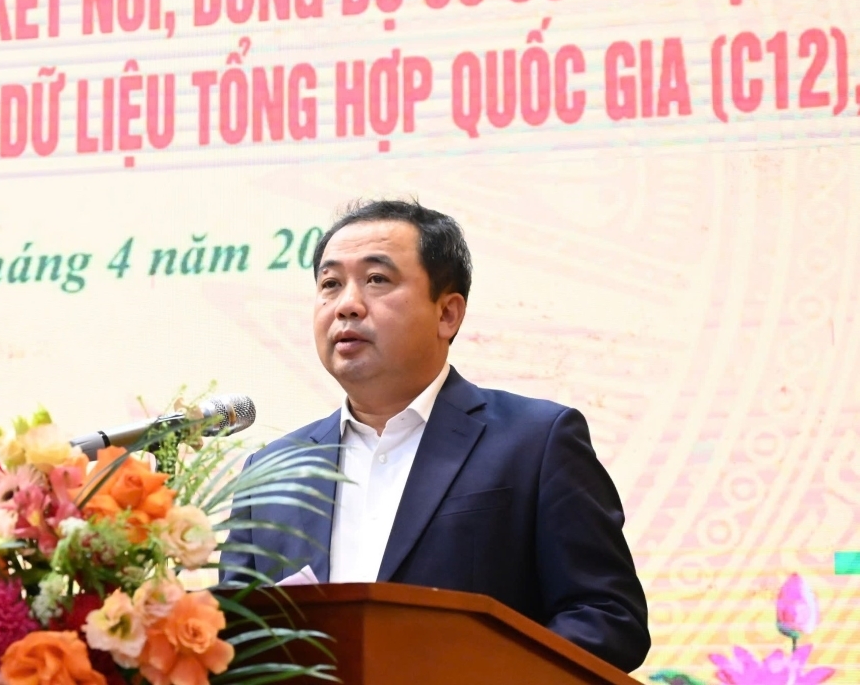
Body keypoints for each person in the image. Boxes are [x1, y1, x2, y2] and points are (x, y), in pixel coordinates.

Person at [220, 200, 650, 673]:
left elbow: (609, 619)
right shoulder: (272, 472)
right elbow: (235, 647)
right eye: (330, 284)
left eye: (377, 280)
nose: (347, 305)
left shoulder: (535, 442)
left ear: (447, 313)